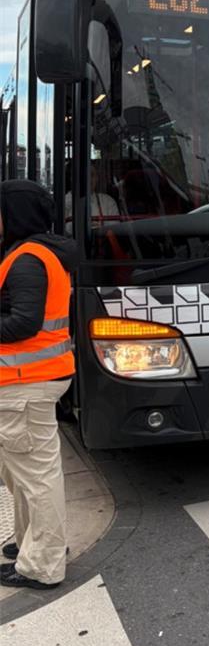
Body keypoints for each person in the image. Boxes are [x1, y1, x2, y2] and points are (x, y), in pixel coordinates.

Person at [0, 180, 77, 590]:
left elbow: (23, 323)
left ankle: (43, 564)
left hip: (25, 381)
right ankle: (33, 541)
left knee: (36, 476)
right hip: (33, 377)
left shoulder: (28, 259)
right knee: (23, 472)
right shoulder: (37, 253)